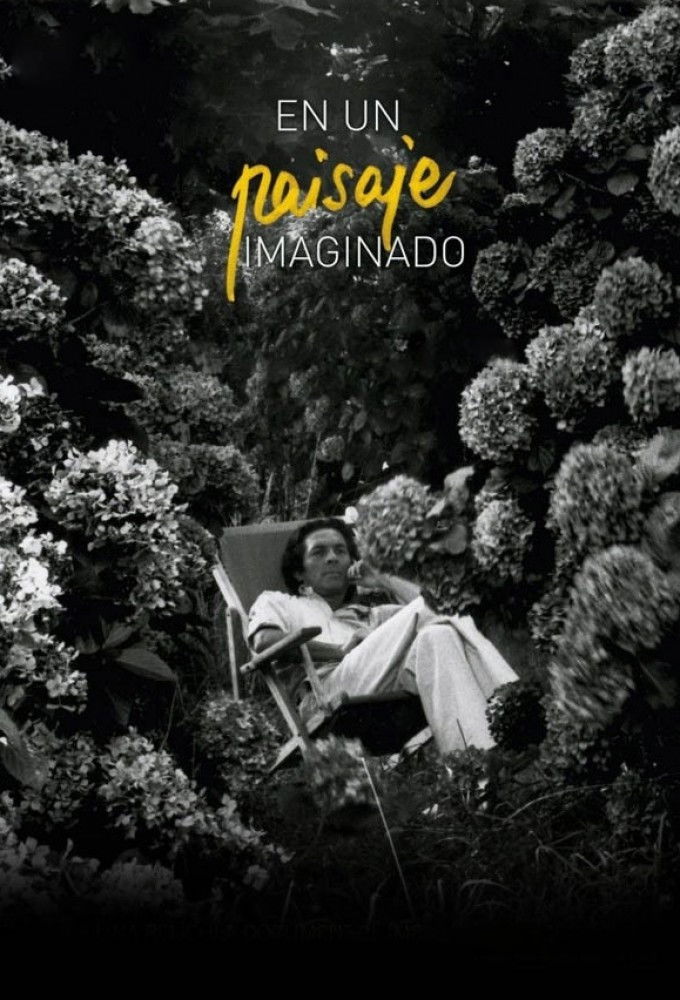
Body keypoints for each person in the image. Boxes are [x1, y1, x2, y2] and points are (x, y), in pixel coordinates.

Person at [247, 517, 518, 755]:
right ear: (299, 572)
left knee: (438, 634)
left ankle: (476, 766)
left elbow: (440, 610)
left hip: (381, 687)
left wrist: (383, 578)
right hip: (323, 693)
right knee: (427, 614)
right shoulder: (280, 602)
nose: (332, 558)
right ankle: (513, 702)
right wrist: (339, 652)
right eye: (319, 552)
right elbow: (264, 642)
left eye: (340, 551)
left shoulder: (372, 615)